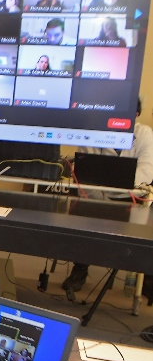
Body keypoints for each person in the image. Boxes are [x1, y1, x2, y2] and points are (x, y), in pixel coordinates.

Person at [63, 98, 153, 298]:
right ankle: (80, 268)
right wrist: (101, 200)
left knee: (145, 229)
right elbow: (87, 176)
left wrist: (116, 189)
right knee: (84, 216)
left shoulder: (145, 134)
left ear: (135, 116)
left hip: (132, 199)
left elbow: (145, 173)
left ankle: (146, 278)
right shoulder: (93, 133)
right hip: (96, 198)